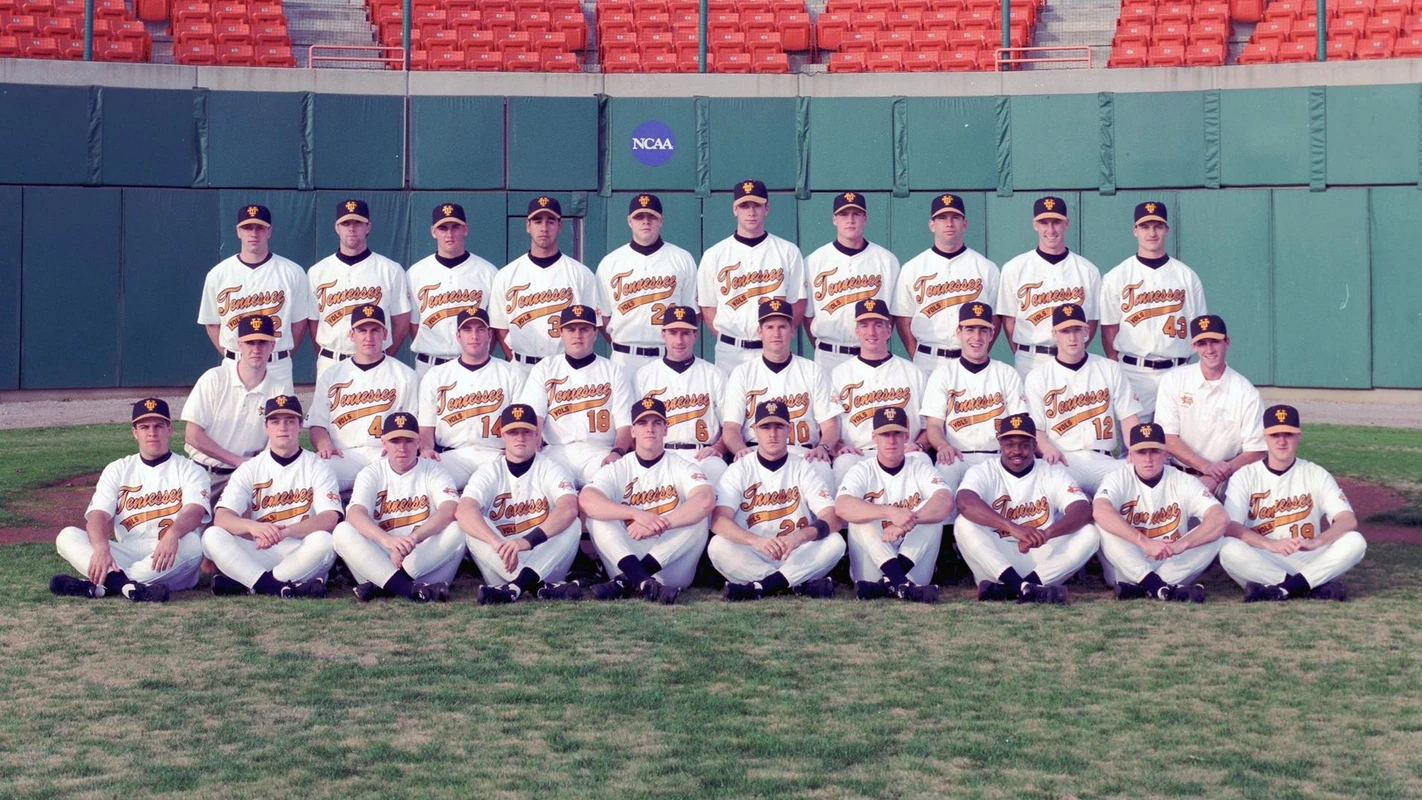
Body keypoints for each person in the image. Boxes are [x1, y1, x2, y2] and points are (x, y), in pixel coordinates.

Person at [49, 398, 209, 603]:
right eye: (144, 427)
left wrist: (173, 534)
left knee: (193, 542)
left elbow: (195, 512)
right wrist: (101, 548)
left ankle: (106, 585)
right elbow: (98, 515)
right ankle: (128, 587)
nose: (152, 432)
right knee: (67, 535)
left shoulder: (190, 469)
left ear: (169, 429)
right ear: (135, 432)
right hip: (129, 551)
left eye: (158, 426)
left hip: (173, 556)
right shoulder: (118, 469)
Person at [1219, 405, 1366, 602]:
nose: (1281, 441)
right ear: (1265, 437)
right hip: (1264, 555)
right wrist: (1270, 544)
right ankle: (1308, 587)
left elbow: (1347, 519)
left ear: (1298, 436)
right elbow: (1230, 526)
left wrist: (1316, 542)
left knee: (1355, 541)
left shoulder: (1315, 473)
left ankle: (1280, 589)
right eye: (1275, 435)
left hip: (1307, 555)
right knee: (1227, 548)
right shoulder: (1245, 475)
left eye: (1288, 434)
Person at [201, 395, 340, 598]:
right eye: (275, 421)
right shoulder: (251, 467)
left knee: (325, 541)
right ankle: (278, 586)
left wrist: (286, 532)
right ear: (266, 427)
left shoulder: (317, 466)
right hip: (259, 548)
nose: (282, 427)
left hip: (300, 550)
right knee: (212, 536)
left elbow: (329, 518)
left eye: (289, 421)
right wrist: (252, 527)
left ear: (300, 425)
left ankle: (249, 583)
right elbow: (223, 517)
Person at [579, 398, 716, 604]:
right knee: (596, 518)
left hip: (671, 564)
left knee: (699, 518)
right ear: (633, 431)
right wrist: (636, 514)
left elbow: (705, 499)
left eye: (656, 423)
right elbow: (587, 499)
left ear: (665, 429)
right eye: (642, 423)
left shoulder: (681, 465)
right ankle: (644, 582)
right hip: (627, 556)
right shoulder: (619, 467)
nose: (650, 429)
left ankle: (627, 582)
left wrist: (659, 524)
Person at [954, 413, 1100, 604]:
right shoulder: (984, 470)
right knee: (963, 523)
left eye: (1024, 445)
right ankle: (1025, 588)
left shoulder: (1051, 471)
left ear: (1034, 445)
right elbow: (964, 501)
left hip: (1042, 558)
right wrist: (1012, 527)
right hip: (996, 559)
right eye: (1010, 444)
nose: (1017, 451)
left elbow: (1082, 509)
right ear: (1000, 444)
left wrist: (1046, 533)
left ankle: (1015, 588)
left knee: (1090, 533)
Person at [709, 400, 846, 601]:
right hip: (753, 551)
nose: (772, 433)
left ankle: (761, 587)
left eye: (779, 426)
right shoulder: (740, 468)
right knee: (717, 546)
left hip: (796, 552)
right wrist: (754, 540)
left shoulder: (803, 467)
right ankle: (796, 584)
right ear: (755, 431)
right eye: (766, 427)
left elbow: (832, 518)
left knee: (835, 542)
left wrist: (799, 537)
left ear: (789, 430)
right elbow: (719, 520)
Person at [333, 412, 466, 603]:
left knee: (460, 526)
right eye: (395, 441)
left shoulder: (433, 470)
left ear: (419, 442)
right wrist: (387, 541)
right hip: (381, 559)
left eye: (408, 441)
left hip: (424, 560)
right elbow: (355, 513)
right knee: (342, 530)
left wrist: (414, 538)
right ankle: (410, 589)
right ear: (384, 443)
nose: (402, 448)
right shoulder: (372, 473)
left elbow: (449, 508)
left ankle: (385, 587)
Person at [456, 404, 583, 604]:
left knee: (572, 523)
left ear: (537, 434)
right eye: (513, 432)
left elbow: (568, 507)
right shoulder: (489, 471)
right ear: (502, 435)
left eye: (526, 431)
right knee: (471, 525)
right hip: (503, 562)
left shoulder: (550, 468)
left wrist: (526, 541)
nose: (520, 438)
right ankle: (538, 588)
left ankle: (515, 588)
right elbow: (464, 510)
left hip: (545, 560)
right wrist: (497, 543)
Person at [1093, 422, 1229, 603]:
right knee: (1099, 523)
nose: (1148, 459)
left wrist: (1181, 545)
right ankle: (1157, 586)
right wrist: (1144, 542)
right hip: (1128, 563)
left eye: (1154, 452)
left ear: (1165, 454)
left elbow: (1219, 517)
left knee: (1216, 533)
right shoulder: (1118, 478)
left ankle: (1145, 588)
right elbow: (1101, 510)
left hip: (1171, 562)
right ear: (1131, 455)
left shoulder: (1182, 480)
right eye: (1141, 452)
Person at [1098, 202, 1208, 420]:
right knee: (1136, 439)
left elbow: (1200, 328)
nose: (1152, 233)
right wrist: (1119, 366)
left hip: (1177, 370)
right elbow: (1109, 329)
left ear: (1166, 229)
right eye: (1145, 226)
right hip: (1134, 371)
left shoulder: (1186, 276)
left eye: (1157, 226)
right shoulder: (1117, 276)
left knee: (1180, 437)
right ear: (1135, 230)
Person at [835, 407, 954, 603]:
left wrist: (905, 523)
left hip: (912, 564)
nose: (891, 441)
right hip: (872, 565)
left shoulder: (919, 468)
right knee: (859, 515)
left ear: (906, 436)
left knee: (931, 513)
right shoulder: (862, 470)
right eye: (885, 434)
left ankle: (888, 584)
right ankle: (902, 584)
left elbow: (945, 501)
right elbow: (842, 506)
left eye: (897, 434)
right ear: (874, 437)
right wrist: (890, 512)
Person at [721, 298, 840, 487]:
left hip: (803, 454)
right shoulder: (743, 373)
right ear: (760, 331)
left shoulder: (812, 370)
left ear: (792, 330)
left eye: (782, 327)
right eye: (769, 327)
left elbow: (830, 426)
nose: (776, 333)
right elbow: (730, 429)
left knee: (821, 467)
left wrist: (823, 448)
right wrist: (741, 450)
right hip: (756, 453)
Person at [1025, 303, 1143, 495]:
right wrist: (1046, 448)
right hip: (1064, 460)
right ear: (1054, 334)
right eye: (1065, 331)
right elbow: (1036, 430)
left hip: (1104, 459)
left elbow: (1129, 417)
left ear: (1086, 331)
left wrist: (1136, 450)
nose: (1072, 337)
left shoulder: (1109, 368)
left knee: (1140, 476)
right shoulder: (1038, 376)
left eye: (1077, 330)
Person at [697, 179, 808, 374]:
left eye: (757, 205)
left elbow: (798, 303)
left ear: (767, 209)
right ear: (735, 209)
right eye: (744, 206)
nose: (751, 212)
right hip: (730, 352)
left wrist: (775, 339)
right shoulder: (715, 254)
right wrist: (729, 337)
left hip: (773, 350)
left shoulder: (788, 251)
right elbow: (707, 307)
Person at [516, 304, 635, 487]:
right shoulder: (545, 368)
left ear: (595, 333)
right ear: (561, 333)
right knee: (554, 492)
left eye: (584, 329)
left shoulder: (613, 371)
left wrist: (617, 452)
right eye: (571, 329)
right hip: (557, 452)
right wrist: (534, 451)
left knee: (603, 492)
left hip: (601, 452)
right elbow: (534, 419)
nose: (577, 335)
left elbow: (625, 424)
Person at [307, 304, 418, 492]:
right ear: (352, 334)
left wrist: (398, 449)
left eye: (375, 330)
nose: (369, 337)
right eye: (362, 331)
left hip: (384, 456)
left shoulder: (405, 375)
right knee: (311, 473)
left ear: (385, 334)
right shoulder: (332, 374)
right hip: (343, 456)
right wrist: (324, 443)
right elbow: (317, 424)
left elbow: (414, 428)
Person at [197, 203, 311, 386]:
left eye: (260, 228)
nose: (253, 233)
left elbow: (299, 323)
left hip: (277, 364)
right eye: (247, 227)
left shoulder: (292, 272)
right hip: (234, 363)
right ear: (238, 231)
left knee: (280, 407)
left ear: (269, 231)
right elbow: (211, 323)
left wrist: (281, 354)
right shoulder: (218, 274)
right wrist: (234, 354)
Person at [181, 313, 293, 498]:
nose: (256, 349)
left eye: (262, 342)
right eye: (250, 343)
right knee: (191, 515)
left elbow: (280, 441)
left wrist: (248, 470)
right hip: (202, 473)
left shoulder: (280, 390)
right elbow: (192, 435)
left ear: (272, 345)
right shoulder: (214, 378)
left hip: (246, 476)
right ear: (239, 345)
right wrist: (236, 460)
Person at [922, 302, 1029, 493]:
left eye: (983, 330)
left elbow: (1019, 421)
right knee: (944, 473)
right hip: (957, 456)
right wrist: (943, 446)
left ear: (991, 333)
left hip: (997, 456)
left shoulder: (1006, 373)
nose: (977, 337)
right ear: (959, 332)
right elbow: (934, 425)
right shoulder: (943, 375)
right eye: (970, 329)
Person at [892, 193, 1001, 376]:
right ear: (931, 225)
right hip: (928, 360)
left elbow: (995, 317)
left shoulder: (985, 268)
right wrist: (916, 355)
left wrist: (977, 353)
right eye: (942, 218)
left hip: (971, 359)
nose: (949, 223)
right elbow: (904, 319)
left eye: (955, 217)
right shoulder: (913, 268)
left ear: (965, 224)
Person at [1154, 315, 1266, 494]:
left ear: (1227, 342)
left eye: (1215, 341)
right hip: (1178, 474)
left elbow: (1257, 451)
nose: (1209, 349)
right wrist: (1206, 467)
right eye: (1202, 343)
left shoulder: (1246, 391)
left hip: (1227, 480)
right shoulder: (1174, 380)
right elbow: (1167, 437)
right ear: (1193, 346)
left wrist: (1216, 476)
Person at [488, 196, 600, 374]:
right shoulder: (507, 275)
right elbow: (500, 329)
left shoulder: (581, 274)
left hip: (566, 367)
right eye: (537, 221)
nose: (544, 228)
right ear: (528, 226)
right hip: (522, 367)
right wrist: (515, 360)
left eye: (550, 221)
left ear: (560, 226)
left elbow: (591, 325)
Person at [417, 307, 524, 488]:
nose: (474, 335)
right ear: (458, 336)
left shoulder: (511, 373)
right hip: (451, 456)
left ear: (489, 335)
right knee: (423, 483)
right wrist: (426, 449)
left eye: (480, 329)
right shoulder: (436, 376)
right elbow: (426, 427)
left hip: (495, 454)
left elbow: (521, 424)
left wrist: (514, 450)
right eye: (467, 329)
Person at [997, 196, 1102, 378]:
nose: (1051, 229)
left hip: (1073, 359)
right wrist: (1022, 351)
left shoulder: (1087, 270)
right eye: (1044, 223)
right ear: (1035, 225)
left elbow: (1091, 322)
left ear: (1066, 223)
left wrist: (1073, 352)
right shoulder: (1015, 268)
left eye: (1056, 222)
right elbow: (1009, 321)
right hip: (1030, 360)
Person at [308, 199, 413, 381]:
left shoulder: (390, 270)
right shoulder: (318, 271)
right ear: (337, 227)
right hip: (331, 360)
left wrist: (383, 354)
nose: (351, 228)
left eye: (357, 223)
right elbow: (313, 321)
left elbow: (402, 321)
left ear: (368, 227)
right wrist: (327, 353)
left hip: (377, 361)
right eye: (346, 223)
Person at [596, 193, 698, 374]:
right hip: (623, 358)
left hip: (666, 356)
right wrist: (620, 344)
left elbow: (692, 313)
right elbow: (602, 317)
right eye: (639, 217)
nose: (646, 222)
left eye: (652, 216)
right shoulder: (610, 262)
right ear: (629, 221)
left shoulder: (681, 258)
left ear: (661, 220)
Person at [829, 298, 928, 484]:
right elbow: (827, 424)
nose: (871, 332)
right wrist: (839, 447)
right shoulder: (838, 374)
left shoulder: (914, 373)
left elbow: (929, 424)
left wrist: (920, 444)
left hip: (903, 452)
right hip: (858, 453)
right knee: (843, 462)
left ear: (889, 330)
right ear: (857, 331)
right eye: (864, 325)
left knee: (921, 459)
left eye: (878, 325)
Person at [803, 191, 901, 374]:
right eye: (843, 214)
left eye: (856, 214)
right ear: (834, 219)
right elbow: (808, 315)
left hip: (872, 353)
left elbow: (892, 314)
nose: (850, 220)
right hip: (829, 355)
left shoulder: (886, 260)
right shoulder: (814, 261)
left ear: (865, 218)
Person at [634, 305, 730, 486]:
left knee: (719, 470)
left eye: (685, 333)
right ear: (663, 334)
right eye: (673, 333)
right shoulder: (644, 376)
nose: (679, 340)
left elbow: (730, 426)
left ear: (695, 335)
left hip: (701, 455)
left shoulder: (714, 375)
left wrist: (718, 448)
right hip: (660, 453)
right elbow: (633, 428)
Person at [406, 202, 500, 382]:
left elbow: (494, 327)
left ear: (465, 229)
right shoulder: (416, 273)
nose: (449, 234)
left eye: (455, 227)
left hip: (474, 365)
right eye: (443, 228)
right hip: (429, 365)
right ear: (433, 231)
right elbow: (413, 325)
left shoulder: (487, 272)